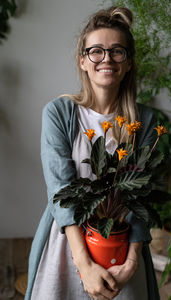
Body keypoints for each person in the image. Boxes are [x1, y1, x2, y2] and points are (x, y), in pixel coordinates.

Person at [25, 6, 160, 300]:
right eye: (96, 51)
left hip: (123, 252)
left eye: (117, 51)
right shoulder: (59, 113)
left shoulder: (146, 121)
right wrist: (84, 265)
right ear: (83, 61)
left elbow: (143, 196)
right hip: (67, 246)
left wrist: (132, 262)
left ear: (128, 64)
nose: (107, 59)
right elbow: (60, 187)